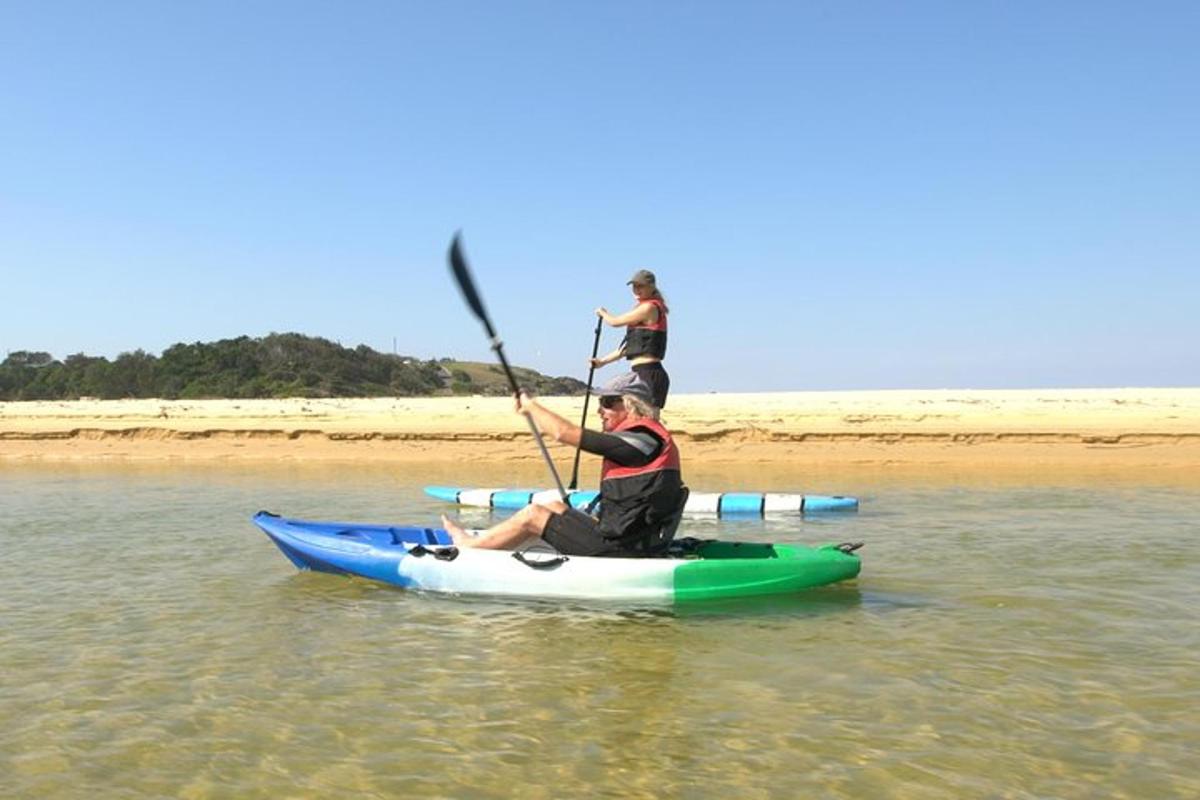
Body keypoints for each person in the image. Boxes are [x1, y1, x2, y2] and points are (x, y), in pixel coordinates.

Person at [441, 372, 684, 556]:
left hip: (626, 549)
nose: (600, 410)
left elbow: (562, 432)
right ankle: (497, 545)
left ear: (631, 405)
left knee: (533, 514)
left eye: (608, 402)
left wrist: (530, 405)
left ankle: (469, 547)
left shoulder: (640, 441)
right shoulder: (646, 439)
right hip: (631, 538)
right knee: (555, 506)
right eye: (600, 403)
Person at [591, 269, 671, 409]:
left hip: (650, 373)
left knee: (647, 421)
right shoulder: (641, 308)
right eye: (634, 286)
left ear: (652, 286)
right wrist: (602, 362)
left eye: (641, 286)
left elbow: (615, 322)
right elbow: (627, 348)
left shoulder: (649, 308)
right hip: (639, 373)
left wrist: (603, 313)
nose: (636, 290)